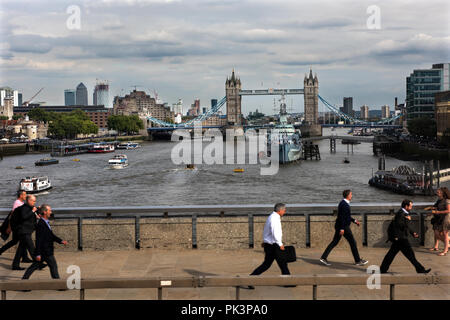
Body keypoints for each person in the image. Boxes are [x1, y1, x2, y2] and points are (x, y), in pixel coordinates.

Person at [246, 203, 292, 290]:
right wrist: (280, 244)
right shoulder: (275, 219)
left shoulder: (272, 216)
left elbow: (267, 231)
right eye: (284, 210)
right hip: (273, 245)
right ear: (280, 210)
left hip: (270, 245)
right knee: (271, 264)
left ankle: (288, 282)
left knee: (281, 263)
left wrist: (265, 241)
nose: (285, 212)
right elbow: (276, 232)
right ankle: (250, 279)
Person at [380, 199, 431, 274]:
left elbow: (405, 226)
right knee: (410, 255)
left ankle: (383, 269)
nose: (411, 208)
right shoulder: (401, 214)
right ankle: (420, 269)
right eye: (410, 206)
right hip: (401, 238)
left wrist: (413, 233)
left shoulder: (404, 213)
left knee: (391, 254)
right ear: (406, 206)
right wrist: (408, 220)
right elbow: (400, 225)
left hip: (398, 238)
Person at [319, 190, 368, 266]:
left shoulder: (343, 203)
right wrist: (342, 228)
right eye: (351, 194)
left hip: (341, 226)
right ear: (348, 195)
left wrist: (354, 220)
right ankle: (357, 261)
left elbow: (346, 216)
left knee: (335, 242)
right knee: (352, 243)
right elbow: (342, 217)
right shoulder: (344, 205)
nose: (352, 195)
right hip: (343, 227)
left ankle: (323, 258)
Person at [22, 204, 67, 280]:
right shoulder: (41, 224)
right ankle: (58, 284)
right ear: (45, 212)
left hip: (45, 251)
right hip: (45, 251)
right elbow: (39, 240)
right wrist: (38, 254)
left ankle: (24, 281)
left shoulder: (45, 222)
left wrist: (60, 241)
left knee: (35, 266)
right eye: (49, 210)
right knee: (53, 266)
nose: (51, 212)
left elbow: (51, 235)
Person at [0, 190, 33, 262]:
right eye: (24, 195)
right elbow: (12, 215)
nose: (26, 196)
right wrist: (9, 227)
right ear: (20, 196)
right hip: (16, 227)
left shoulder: (21, 203)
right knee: (17, 241)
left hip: (19, 226)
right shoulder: (17, 203)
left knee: (20, 241)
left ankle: (24, 258)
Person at [11, 195, 38, 270]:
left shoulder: (30, 208)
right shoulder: (24, 208)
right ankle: (38, 263)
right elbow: (24, 217)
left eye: (35, 201)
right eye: (33, 201)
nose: (34, 202)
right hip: (24, 231)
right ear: (29, 200)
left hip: (27, 231)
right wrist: (32, 211)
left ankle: (15, 265)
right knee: (31, 248)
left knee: (20, 249)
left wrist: (36, 214)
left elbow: (30, 218)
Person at [424, 187, 450, 256]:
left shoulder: (447, 201)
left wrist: (437, 212)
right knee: (438, 234)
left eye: (438, 192)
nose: (437, 193)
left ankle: (445, 250)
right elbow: (437, 207)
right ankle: (447, 245)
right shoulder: (439, 200)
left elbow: (448, 210)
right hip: (440, 218)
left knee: (444, 234)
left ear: (442, 193)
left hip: (446, 219)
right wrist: (431, 209)